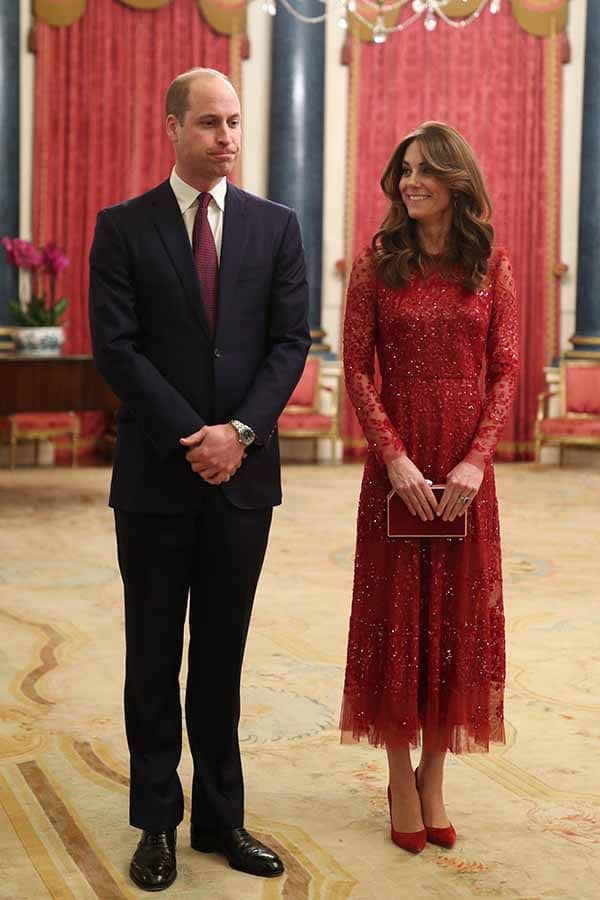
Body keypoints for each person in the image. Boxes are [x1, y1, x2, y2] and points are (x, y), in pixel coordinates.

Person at [89, 68, 310, 891]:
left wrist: (240, 434)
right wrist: (196, 434)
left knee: (221, 659)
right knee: (151, 659)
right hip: (156, 479)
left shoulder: (276, 227)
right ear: (173, 126)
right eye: (211, 123)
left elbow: (290, 344)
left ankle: (223, 820)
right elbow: (117, 349)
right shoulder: (122, 228)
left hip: (242, 481)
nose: (227, 137)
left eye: (236, 122)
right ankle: (157, 824)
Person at [340, 122, 519, 854]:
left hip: (465, 474)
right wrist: (395, 460)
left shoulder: (491, 265)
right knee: (396, 621)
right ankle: (398, 776)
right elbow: (356, 370)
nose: (409, 181)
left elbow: (506, 368)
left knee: (455, 627)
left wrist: (476, 460)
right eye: (403, 171)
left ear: (455, 180)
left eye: (423, 171)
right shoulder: (376, 263)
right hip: (398, 470)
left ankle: (434, 775)